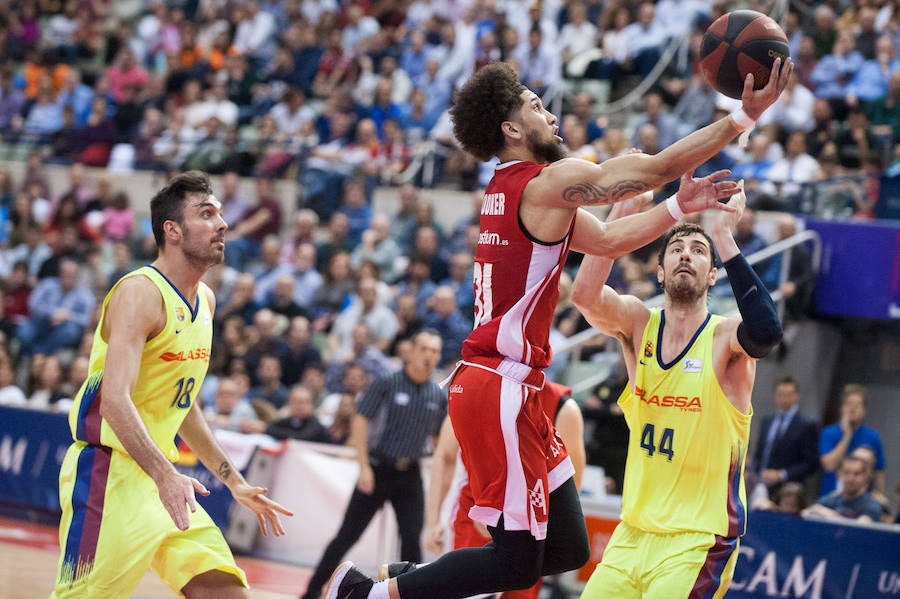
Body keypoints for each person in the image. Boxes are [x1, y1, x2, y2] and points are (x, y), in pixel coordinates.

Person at [321, 56, 791, 599]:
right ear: (513, 130)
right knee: (518, 564)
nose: (552, 115)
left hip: (508, 386)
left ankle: (387, 580)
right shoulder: (548, 181)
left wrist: (677, 208)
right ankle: (368, 596)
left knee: (565, 548)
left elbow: (611, 242)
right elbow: (653, 168)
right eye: (538, 107)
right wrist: (740, 120)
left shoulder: (514, 190)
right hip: (499, 383)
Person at [51, 171, 292, 598]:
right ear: (173, 230)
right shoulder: (140, 292)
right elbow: (114, 401)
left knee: (225, 592)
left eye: (220, 213)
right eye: (207, 214)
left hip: (164, 480)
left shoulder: (207, 301)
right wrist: (165, 475)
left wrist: (232, 479)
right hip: (111, 475)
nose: (223, 224)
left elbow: (184, 404)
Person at [571, 184, 783, 597]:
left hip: (699, 540)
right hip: (632, 534)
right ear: (661, 271)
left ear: (712, 274)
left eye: (699, 250)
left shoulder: (724, 339)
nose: (687, 253)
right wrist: (624, 211)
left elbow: (767, 332)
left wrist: (722, 235)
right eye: (677, 248)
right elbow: (584, 296)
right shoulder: (636, 322)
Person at [404, 380, 585, 599]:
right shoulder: (476, 386)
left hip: (530, 527)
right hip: (476, 518)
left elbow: (569, 481)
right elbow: (445, 455)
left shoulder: (563, 407)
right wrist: (432, 520)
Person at [302, 330, 447, 599]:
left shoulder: (437, 394)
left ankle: (409, 595)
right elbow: (360, 418)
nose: (430, 356)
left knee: (412, 543)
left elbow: (439, 439)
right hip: (378, 468)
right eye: (425, 349)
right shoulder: (387, 381)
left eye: (435, 351)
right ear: (412, 351)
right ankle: (310, 593)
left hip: (410, 473)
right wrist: (363, 466)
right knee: (346, 536)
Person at [749, 376, 820, 499]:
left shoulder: (807, 425)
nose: (784, 398)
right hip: (761, 485)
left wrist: (782, 475)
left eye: (788, 394)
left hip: (789, 490)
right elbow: (760, 453)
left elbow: (811, 463)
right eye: (780, 394)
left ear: (796, 396)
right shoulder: (767, 421)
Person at [819, 383, 885, 496]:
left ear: (864, 411)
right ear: (842, 408)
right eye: (849, 404)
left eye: (857, 405)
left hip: (862, 499)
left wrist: (880, 498)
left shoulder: (872, 436)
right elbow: (829, 465)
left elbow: (879, 473)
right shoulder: (829, 433)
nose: (853, 409)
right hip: (831, 497)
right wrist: (847, 436)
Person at [802, 456, 883, 522]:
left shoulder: (871, 506)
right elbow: (806, 512)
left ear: (865, 477)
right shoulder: (832, 499)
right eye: (847, 472)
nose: (851, 478)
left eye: (856, 474)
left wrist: (832, 515)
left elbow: (859, 528)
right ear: (839, 474)